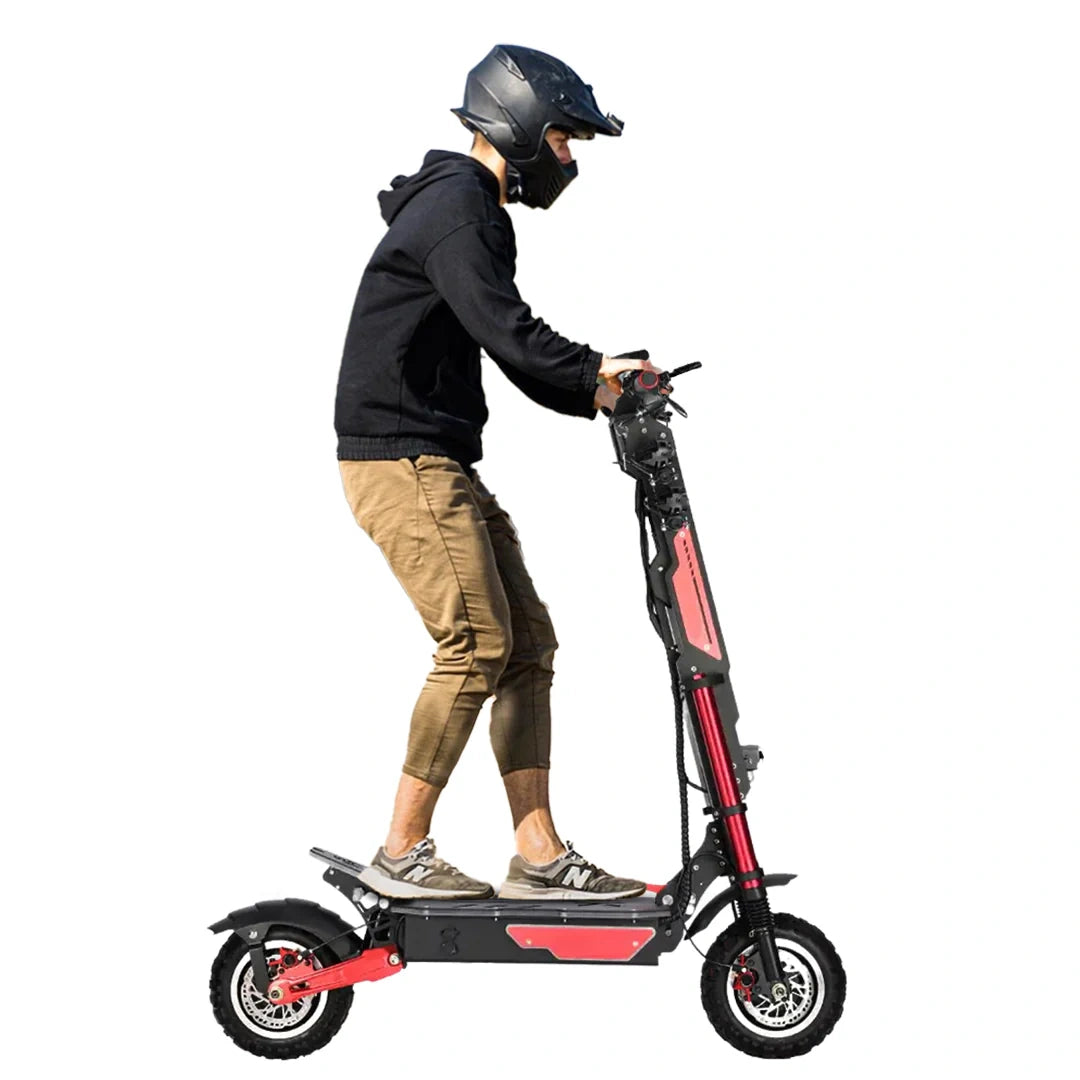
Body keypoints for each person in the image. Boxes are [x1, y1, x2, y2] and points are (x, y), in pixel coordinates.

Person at [334, 44, 659, 901]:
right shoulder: (458, 207)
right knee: (477, 643)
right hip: (401, 460)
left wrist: (598, 389)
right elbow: (507, 328)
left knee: (527, 646)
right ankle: (401, 850)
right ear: (517, 124)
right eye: (562, 138)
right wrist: (592, 368)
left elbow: (502, 346)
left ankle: (539, 856)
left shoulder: (466, 206)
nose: (568, 158)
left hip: (431, 457)